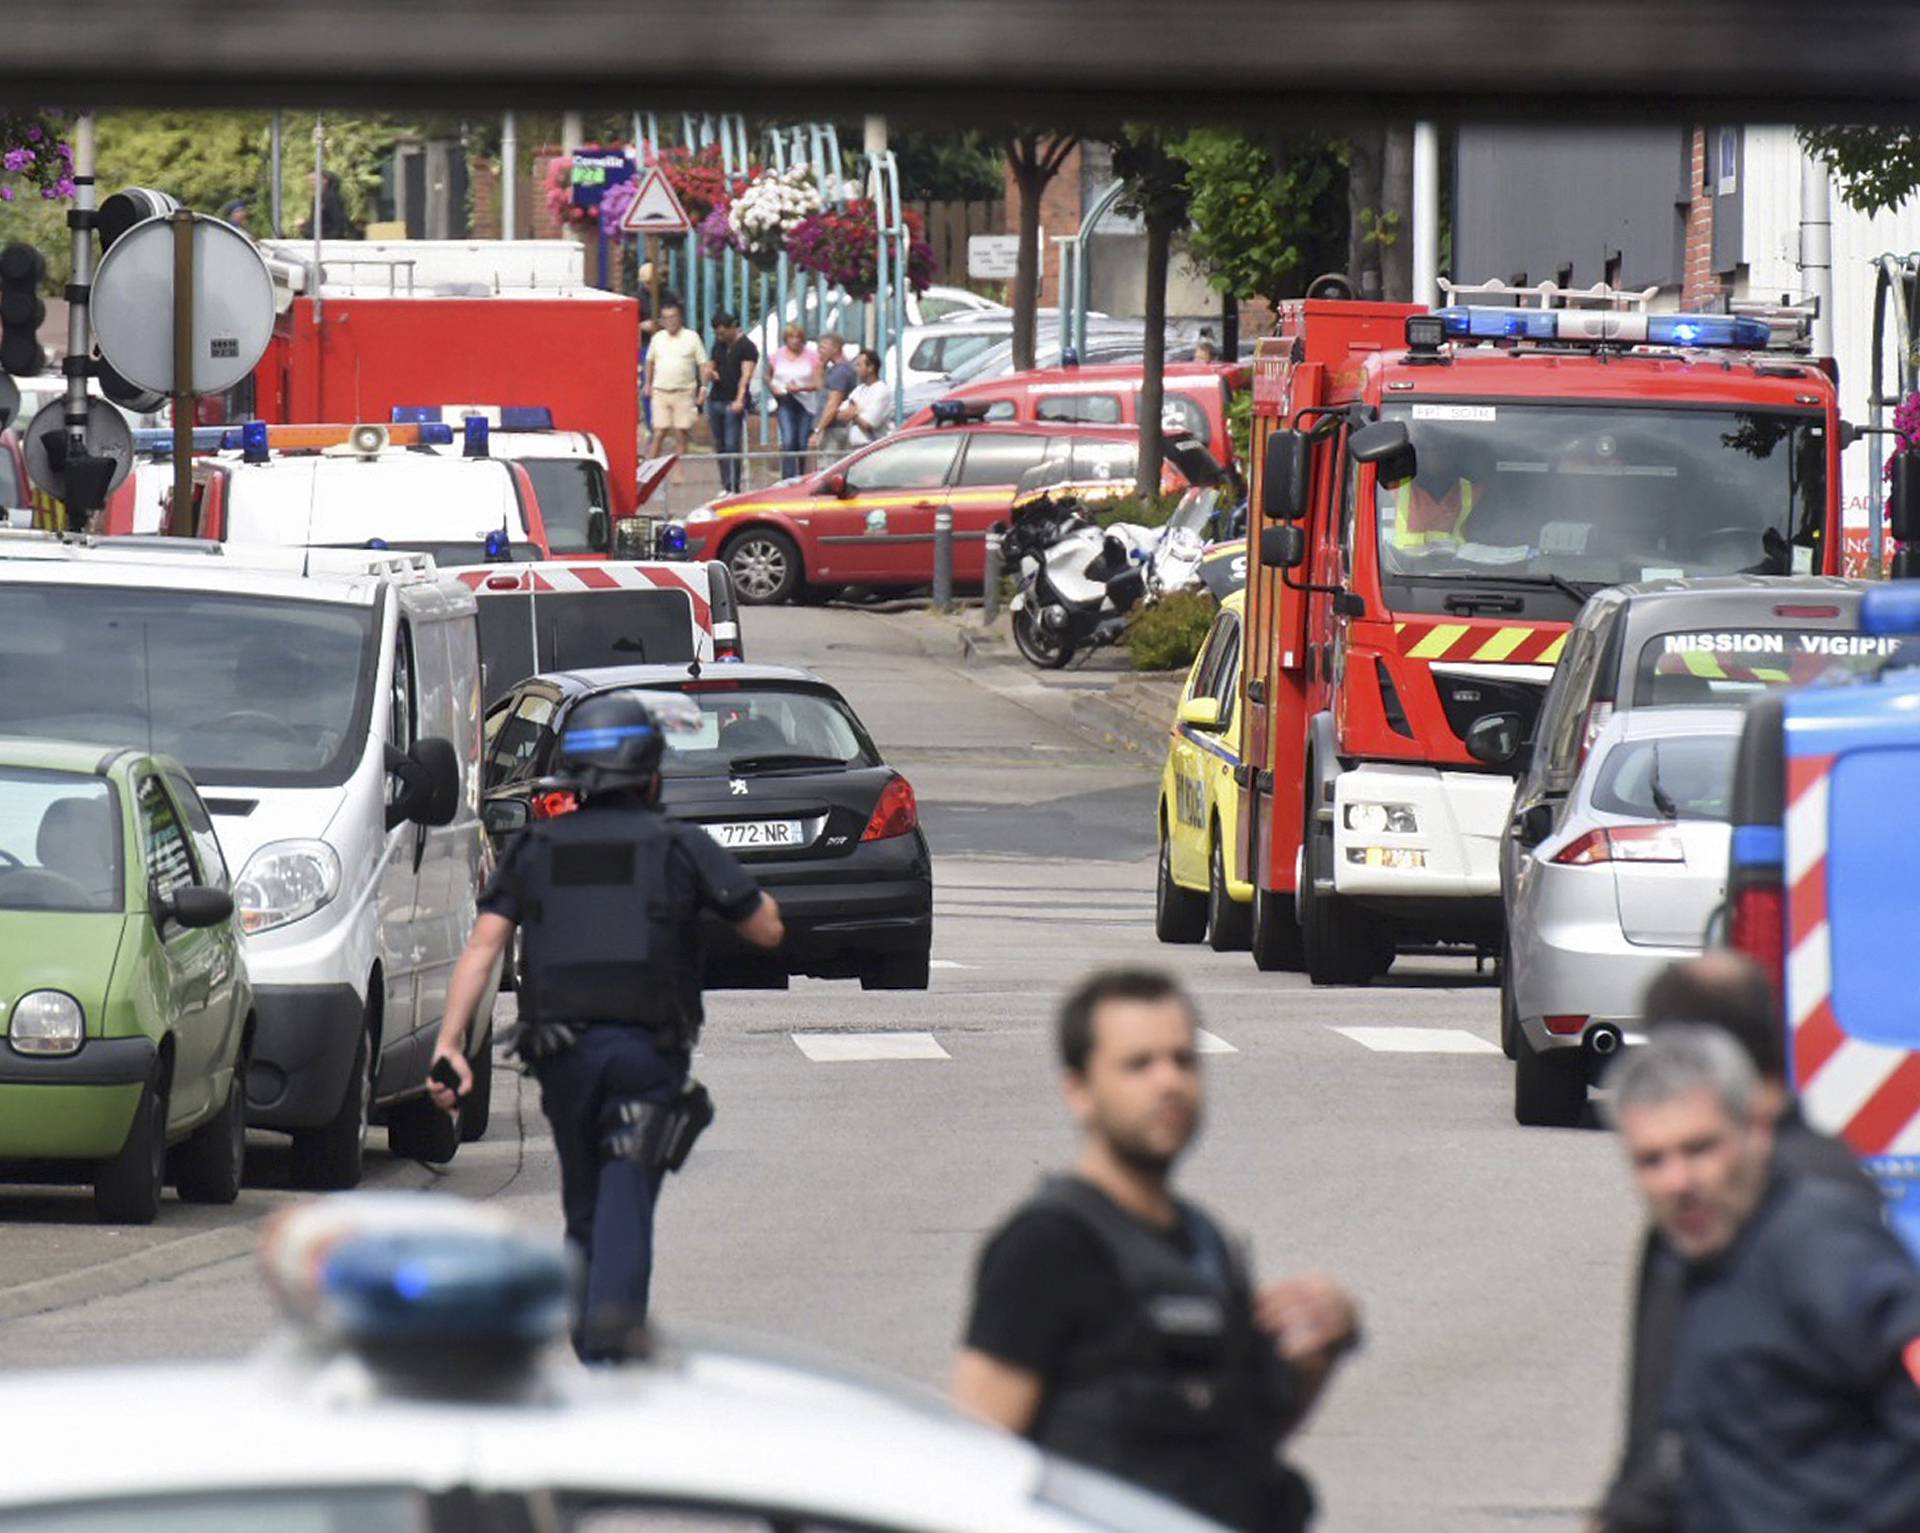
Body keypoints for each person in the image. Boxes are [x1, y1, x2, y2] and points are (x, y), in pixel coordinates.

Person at [427, 692, 784, 1359]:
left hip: (561, 1055)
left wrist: (451, 1045)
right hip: (647, 1052)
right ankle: (611, 1340)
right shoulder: (679, 845)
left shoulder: (537, 846)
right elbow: (766, 926)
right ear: (650, 774)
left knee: (584, 1198)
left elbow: (483, 948)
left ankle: (590, 1332)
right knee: (628, 1187)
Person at [955, 968, 1360, 1532]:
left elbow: (1230, 1444)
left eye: (1183, 1060)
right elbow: (976, 1467)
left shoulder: (1205, 1243)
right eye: (1138, 1064)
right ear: (1079, 1091)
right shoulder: (1044, 1248)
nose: (1168, 1082)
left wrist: (1319, 1346)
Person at [1596, 952, 1879, 1533]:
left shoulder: (1758, 1212)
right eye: (1651, 1161)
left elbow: (1665, 1421)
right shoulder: (1830, 1180)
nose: (1676, 1180)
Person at [701, 311, 758, 495]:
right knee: (720, 444)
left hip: (732, 399)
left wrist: (740, 399)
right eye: (718, 334)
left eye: (723, 333)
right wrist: (707, 380)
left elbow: (746, 375)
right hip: (716, 397)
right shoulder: (719, 344)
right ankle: (725, 483)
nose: (720, 337)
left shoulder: (747, 347)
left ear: (733, 328)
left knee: (732, 443)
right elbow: (711, 364)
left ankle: (734, 485)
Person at [645, 303, 708, 461]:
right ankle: (649, 469)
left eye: (673, 317)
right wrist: (647, 383)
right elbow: (649, 361)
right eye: (666, 318)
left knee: (681, 433)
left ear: (680, 318)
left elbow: (702, 364)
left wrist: (704, 388)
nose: (670, 321)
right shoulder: (658, 338)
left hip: (684, 391)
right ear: (662, 321)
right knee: (659, 431)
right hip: (660, 391)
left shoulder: (691, 337)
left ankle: (678, 471)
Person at [767, 324, 821, 479]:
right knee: (789, 440)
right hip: (785, 400)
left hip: (805, 403)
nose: (795, 341)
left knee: (802, 442)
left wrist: (801, 387)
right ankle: (788, 477)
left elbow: (818, 384)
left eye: (798, 337)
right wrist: (773, 387)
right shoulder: (777, 355)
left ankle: (802, 475)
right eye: (791, 337)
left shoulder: (812, 356)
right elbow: (767, 376)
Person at [809, 332, 858, 459]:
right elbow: (823, 394)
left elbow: (832, 404)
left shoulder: (840, 372)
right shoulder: (835, 370)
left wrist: (818, 431)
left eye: (823, 348)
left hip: (833, 429)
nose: (819, 352)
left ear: (835, 348)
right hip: (831, 427)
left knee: (828, 468)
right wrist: (820, 369)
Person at [842, 348, 893, 446]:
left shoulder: (881, 390)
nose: (856, 369)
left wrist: (853, 414)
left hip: (872, 447)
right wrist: (854, 412)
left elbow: (868, 425)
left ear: (870, 368)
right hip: (854, 447)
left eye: (859, 365)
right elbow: (839, 413)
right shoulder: (859, 389)